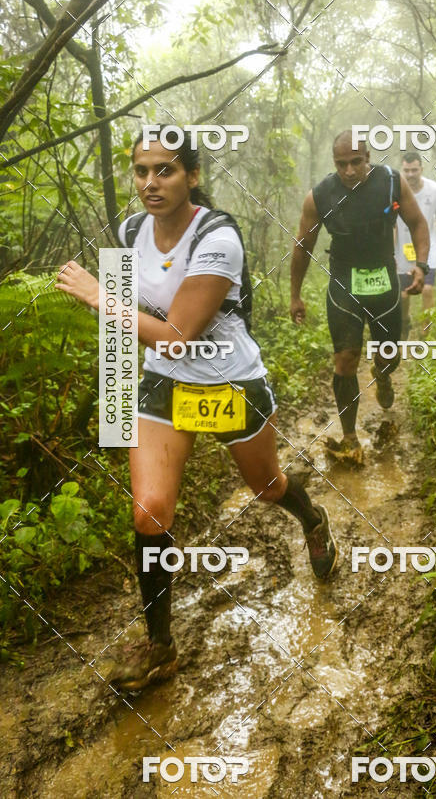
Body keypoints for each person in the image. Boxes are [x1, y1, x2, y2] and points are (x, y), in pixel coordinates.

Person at [56, 126, 338, 691]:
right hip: (164, 384)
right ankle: (160, 645)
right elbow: (145, 332)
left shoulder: (217, 238)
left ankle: (312, 518)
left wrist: (96, 296)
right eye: (141, 171)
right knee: (149, 512)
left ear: (192, 176)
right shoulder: (132, 229)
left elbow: (178, 334)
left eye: (165, 170)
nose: (151, 183)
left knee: (267, 487)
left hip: (227, 382)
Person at [290, 130, 429, 465]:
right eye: (341, 164)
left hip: (384, 278)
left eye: (356, 162)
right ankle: (350, 435)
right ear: (334, 163)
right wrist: (295, 295)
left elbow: (418, 223)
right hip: (344, 282)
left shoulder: (392, 182)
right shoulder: (320, 196)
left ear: (368, 158)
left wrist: (421, 265)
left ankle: (382, 374)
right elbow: (302, 246)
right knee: (345, 360)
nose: (349, 170)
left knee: (388, 354)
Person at [395, 152, 436, 338]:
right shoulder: (395, 190)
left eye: (414, 170)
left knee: (427, 289)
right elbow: (392, 225)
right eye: (406, 170)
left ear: (421, 169)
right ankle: (404, 324)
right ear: (402, 170)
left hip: (428, 248)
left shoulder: (434, 190)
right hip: (402, 250)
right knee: (403, 295)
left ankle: (426, 333)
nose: (410, 174)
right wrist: (390, 254)